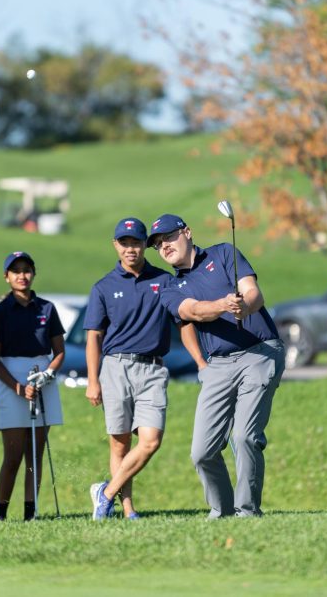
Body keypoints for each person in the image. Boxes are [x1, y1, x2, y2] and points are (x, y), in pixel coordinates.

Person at [149, 212, 284, 518]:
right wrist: (223, 305)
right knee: (202, 452)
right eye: (158, 245)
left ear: (187, 232)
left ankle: (247, 511)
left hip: (259, 352)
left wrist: (243, 306)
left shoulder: (224, 253)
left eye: (169, 237)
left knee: (244, 436)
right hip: (218, 366)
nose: (165, 246)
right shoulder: (171, 287)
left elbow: (254, 293)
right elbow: (192, 311)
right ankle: (222, 511)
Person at [85, 217, 203, 520]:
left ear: (144, 245)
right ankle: (127, 510)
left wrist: (201, 362)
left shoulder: (164, 281)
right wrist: (92, 380)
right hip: (115, 368)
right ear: (115, 245)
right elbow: (93, 337)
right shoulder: (103, 287)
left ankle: (106, 493)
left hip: (152, 370)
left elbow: (183, 322)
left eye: (136, 243)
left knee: (150, 441)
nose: (130, 249)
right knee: (120, 443)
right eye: (124, 243)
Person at [0, 251, 65, 521]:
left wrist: (48, 374)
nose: (22, 275)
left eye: (26, 270)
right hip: (10, 380)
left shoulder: (47, 308)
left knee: (35, 454)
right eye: (15, 271)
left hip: (42, 377)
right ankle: (2, 513)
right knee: (13, 454)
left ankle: (31, 514)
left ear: (33, 273)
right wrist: (19, 388)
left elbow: (59, 351)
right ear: (6, 276)